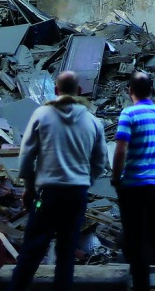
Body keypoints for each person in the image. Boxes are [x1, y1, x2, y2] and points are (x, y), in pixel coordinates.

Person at [9, 70, 107, 291]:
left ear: (56, 90)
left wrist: (28, 188)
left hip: (48, 193)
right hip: (76, 195)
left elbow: (26, 156)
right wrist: (85, 181)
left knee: (32, 250)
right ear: (79, 91)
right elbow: (100, 162)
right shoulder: (93, 121)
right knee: (66, 253)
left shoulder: (42, 115)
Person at [111, 71, 155, 291]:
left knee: (135, 240)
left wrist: (115, 177)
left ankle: (142, 288)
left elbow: (120, 151)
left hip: (132, 187)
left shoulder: (128, 115)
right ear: (152, 90)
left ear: (130, 91)